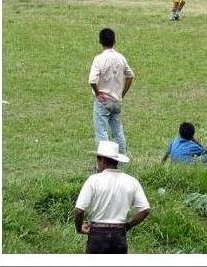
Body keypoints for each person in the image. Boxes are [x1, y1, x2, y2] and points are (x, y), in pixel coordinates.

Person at [74, 140, 150, 254]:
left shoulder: (93, 180)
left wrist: (79, 228)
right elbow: (145, 210)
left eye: (97, 160)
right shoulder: (131, 181)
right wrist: (128, 225)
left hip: (97, 235)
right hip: (119, 236)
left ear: (102, 160)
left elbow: (79, 211)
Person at [89, 28, 134, 157]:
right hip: (116, 100)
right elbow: (130, 76)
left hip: (103, 101)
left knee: (102, 133)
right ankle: (122, 159)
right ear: (114, 41)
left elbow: (92, 80)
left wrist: (98, 93)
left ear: (100, 41)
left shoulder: (99, 59)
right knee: (118, 132)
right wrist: (122, 94)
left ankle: (104, 162)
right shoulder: (121, 58)